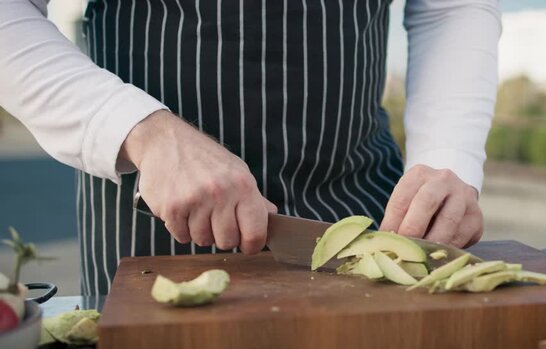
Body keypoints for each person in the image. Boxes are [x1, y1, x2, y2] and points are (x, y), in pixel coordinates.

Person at [0, 0, 501, 295]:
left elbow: (451, 8)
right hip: (152, 227)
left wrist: (448, 160)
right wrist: (142, 131)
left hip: (364, 207)